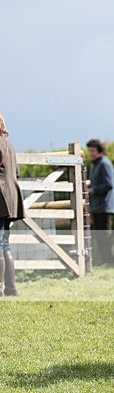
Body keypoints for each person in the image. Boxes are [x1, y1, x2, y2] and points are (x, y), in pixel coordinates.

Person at [0, 113, 25, 296]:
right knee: (5, 244)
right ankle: (10, 288)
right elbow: (16, 172)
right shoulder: (10, 145)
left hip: (0, 197)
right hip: (11, 199)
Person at [86, 138, 114, 267]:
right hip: (97, 206)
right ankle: (103, 261)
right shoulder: (95, 164)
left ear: (99, 151)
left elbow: (109, 184)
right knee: (99, 237)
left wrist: (93, 190)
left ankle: (110, 261)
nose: (91, 154)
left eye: (93, 151)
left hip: (105, 206)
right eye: (90, 151)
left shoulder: (105, 164)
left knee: (105, 236)